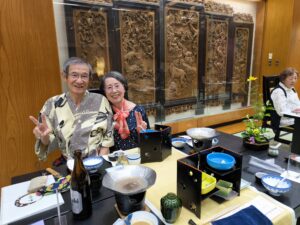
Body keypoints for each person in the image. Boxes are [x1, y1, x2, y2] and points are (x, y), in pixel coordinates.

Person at [29, 57, 114, 161]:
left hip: (98, 160)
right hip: (70, 165)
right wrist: (44, 137)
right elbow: (46, 142)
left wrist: (101, 161)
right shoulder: (52, 105)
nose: (79, 80)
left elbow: (108, 136)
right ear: (65, 76)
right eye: (74, 75)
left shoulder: (101, 101)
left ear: (89, 79)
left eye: (84, 76)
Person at [99, 71, 150, 151]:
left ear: (124, 87)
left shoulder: (138, 110)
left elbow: (149, 142)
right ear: (105, 92)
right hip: (114, 160)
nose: (114, 91)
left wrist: (142, 134)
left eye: (117, 86)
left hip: (136, 158)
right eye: (109, 87)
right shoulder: (104, 113)